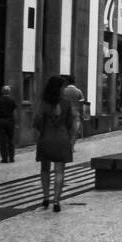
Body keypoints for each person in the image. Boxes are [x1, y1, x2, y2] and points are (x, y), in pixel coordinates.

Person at [32, 75, 76, 211]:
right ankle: (56, 201)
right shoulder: (66, 103)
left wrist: (40, 134)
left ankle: (46, 198)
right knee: (59, 172)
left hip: (46, 138)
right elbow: (70, 124)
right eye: (63, 87)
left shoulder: (43, 103)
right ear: (59, 88)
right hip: (61, 139)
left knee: (45, 170)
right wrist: (71, 140)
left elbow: (37, 122)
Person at [0, 84, 17, 163]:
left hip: (1, 121)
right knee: (11, 140)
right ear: (9, 92)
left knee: (2, 141)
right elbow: (15, 112)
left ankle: (4, 158)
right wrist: (15, 122)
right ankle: (11, 157)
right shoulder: (12, 100)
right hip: (10, 121)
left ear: (2, 92)